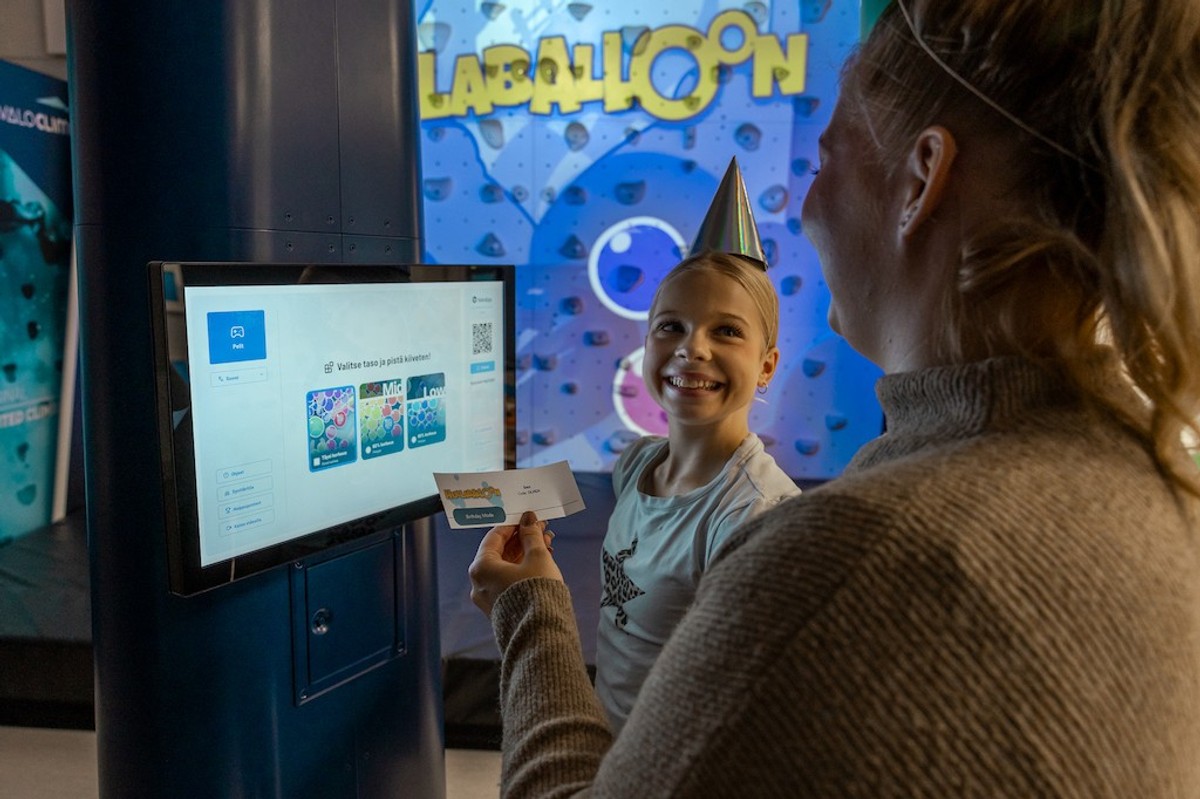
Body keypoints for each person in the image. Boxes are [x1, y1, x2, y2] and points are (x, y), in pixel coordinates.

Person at [467, 0, 1200, 795]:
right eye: (671, 327)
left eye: (823, 165)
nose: (810, 210)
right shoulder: (1156, 481)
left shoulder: (845, 562)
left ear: (922, 178)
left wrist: (532, 611)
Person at [595, 242, 801, 732]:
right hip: (607, 749)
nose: (693, 349)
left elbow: (742, 707)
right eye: (671, 327)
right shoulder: (636, 464)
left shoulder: (757, 513)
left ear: (767, 366)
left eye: (726, 331)